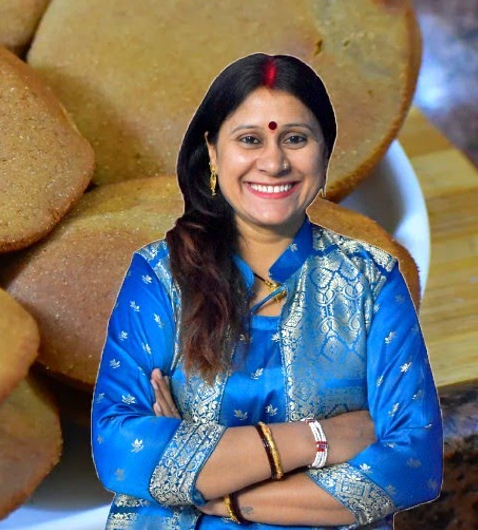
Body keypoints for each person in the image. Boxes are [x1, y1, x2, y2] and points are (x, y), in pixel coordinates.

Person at [90, 54, 442, 529]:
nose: (274, 163)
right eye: (250, 140)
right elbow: (119, 450)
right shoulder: (161, 275)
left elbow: (413, 464)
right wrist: (317, 440)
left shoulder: (370, 281)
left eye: (295, 139)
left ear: (325, 151)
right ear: (212, 152)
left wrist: (218, 495)